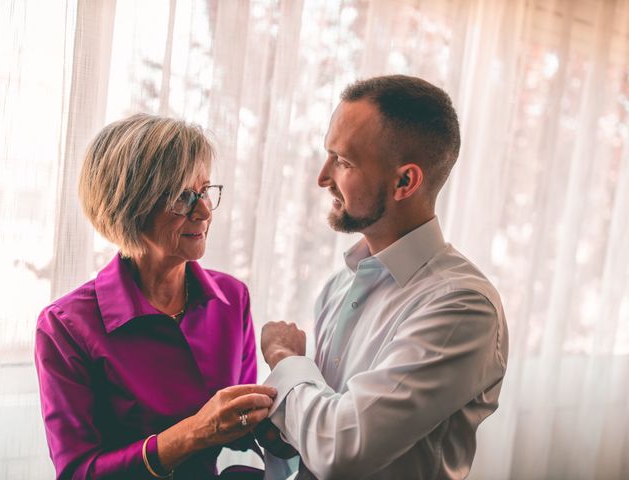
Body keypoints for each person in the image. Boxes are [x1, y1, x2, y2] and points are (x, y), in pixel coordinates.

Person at [259, 75, 509, 479]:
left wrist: (285, 361)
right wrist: (280, 428)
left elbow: (342, 449)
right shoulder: (338, 286)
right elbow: (320, 429)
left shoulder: (462, 306)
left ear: (405, 182)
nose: (322, 178)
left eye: (342, 161)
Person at [35, 114, 277, 479]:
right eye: (184, 196)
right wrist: (192, 434)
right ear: (130, 205)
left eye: (206, 191)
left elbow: (243, 432)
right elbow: (77, 472)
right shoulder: (65, 326)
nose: (205, 210)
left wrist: (291, 379)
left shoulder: (232, 298)